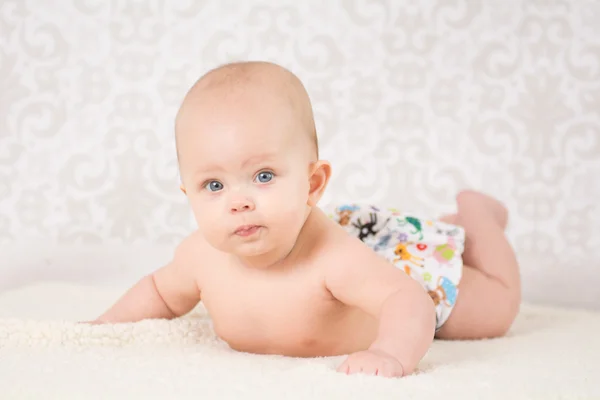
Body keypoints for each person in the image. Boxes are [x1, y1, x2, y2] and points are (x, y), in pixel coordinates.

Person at [87, 61, 521, 378]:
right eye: (214, 186)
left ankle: (478, 217)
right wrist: (104, 327)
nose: (238, 202)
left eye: (263, 176)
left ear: (312, 185)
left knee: (496, 311)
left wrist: (391, 353)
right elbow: (160, 294)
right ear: (188, 195)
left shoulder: (332, 258)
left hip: (407, 273)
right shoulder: (199, 257)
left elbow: (407, 301)